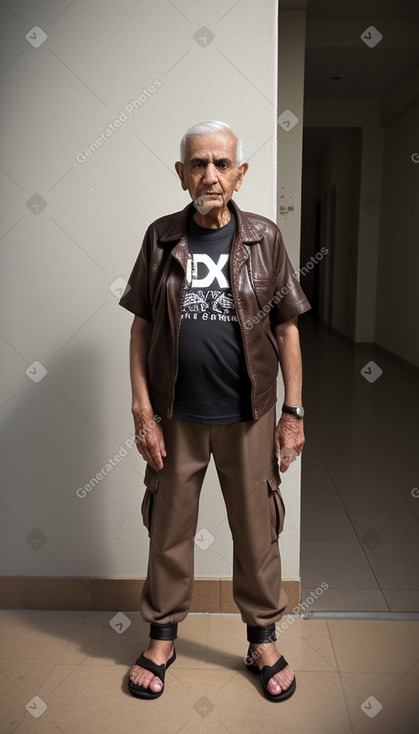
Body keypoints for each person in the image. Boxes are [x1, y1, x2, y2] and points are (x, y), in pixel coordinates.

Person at [119, 120, 310, 702]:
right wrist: (142, 412)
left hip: (248, 413)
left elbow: (287, 329)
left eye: (221, 164)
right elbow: (141, 329)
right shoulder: (159, 238)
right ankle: (161, 637)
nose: (210, 175)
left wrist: (293, 410)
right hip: (176, 414)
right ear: (181, 173)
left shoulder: (265, 239)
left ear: (240, 173)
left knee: (257, 530)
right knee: (168, 526)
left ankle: (262, 639)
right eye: (198, 164)